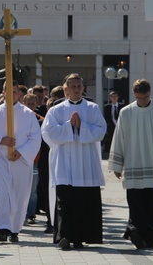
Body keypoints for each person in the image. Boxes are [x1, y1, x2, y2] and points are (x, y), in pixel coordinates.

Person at [108, 78, 153, 249]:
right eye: (139, 98)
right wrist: (117, 165)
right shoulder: (126, 112)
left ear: (150, 93)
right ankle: (141, 236)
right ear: (134, 94)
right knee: (137, 205)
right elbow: (119, 138)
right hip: (134, 164)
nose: (142, 101)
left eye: (145, 97)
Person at [41, 73, 106, 250]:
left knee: (84, 203)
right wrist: (69, 126)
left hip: (86, 164)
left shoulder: (92, 108)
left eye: (79, 86)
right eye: (73, 86)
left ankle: (80, 238)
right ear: (66, 89)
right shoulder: (55, 110)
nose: (76, 89)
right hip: (64, 163)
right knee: (65, 202)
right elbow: (47, 133)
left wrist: (81, 126)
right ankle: (64, 236)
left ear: (83, 88)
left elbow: (101, 131)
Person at [0, 80, 41, 243]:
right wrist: (0, 141)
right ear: (3, 92)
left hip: (20, 161)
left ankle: (14, 228)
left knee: (19, 195)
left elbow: (35, 137)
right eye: (9, 91)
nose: (12, 95)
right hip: (0, 158)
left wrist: (21, 152)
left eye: (15, 92)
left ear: (19, 94)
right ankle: (1, 228)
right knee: (2, 194)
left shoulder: (28, 114)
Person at [22, 93, 43, 225]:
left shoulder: (41, 119)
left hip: (35, 158)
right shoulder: (18, 118)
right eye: (28, 103)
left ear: (36, 105)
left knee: (33, 189)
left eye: (32, 104)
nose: (30, 106)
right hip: (20, 158)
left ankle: (30, 213)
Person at [103, 91, 124, 155]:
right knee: (111, 140)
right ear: (110, 98)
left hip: (120, 126)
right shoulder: (107, 107)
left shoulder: (122, 106)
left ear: (117, 97)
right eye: (112, 97)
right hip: (111, 127)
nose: (114, 98)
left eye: (115, 96)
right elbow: (105, 117)